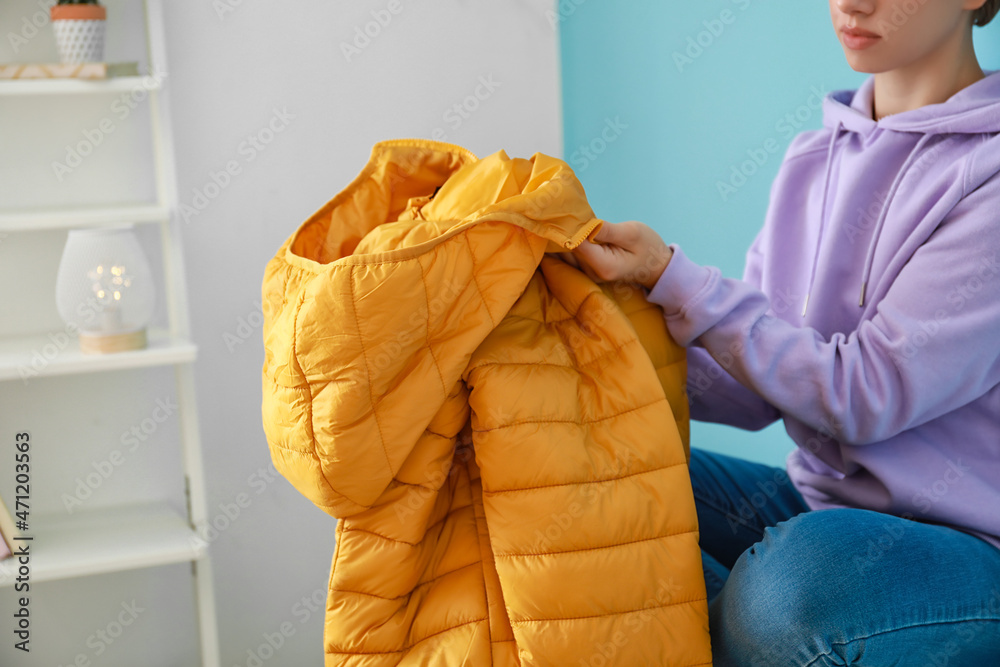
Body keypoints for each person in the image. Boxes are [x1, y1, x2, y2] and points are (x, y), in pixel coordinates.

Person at [570, 0, 1000, 664]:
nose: (853, 4)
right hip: (823, 509)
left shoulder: (992, 177)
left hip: (970, 549)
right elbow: (752, 388)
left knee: (790, 591)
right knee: (585, 470)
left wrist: (675, 278)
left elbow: (867, 391)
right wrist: (598, 317)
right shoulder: (815, 157)